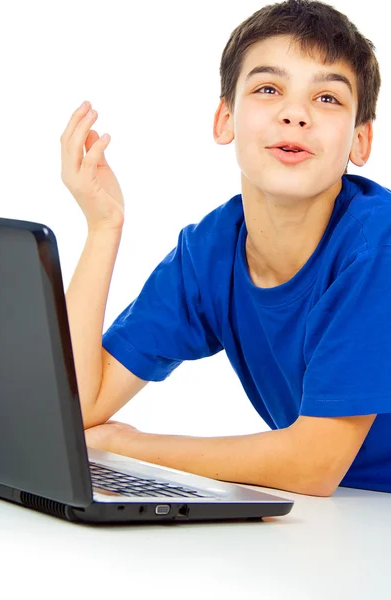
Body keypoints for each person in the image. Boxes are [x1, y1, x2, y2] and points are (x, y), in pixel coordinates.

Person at [60, 0, 391, 497]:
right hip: (347, 518)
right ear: (225, 120)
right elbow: (77, 405)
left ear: (359, 141)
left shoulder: (377, 243)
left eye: (327, 99)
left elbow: (312, 465)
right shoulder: (210, 251)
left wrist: (131, 445)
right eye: (268, 89)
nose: (295, 114)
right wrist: (103, 228)